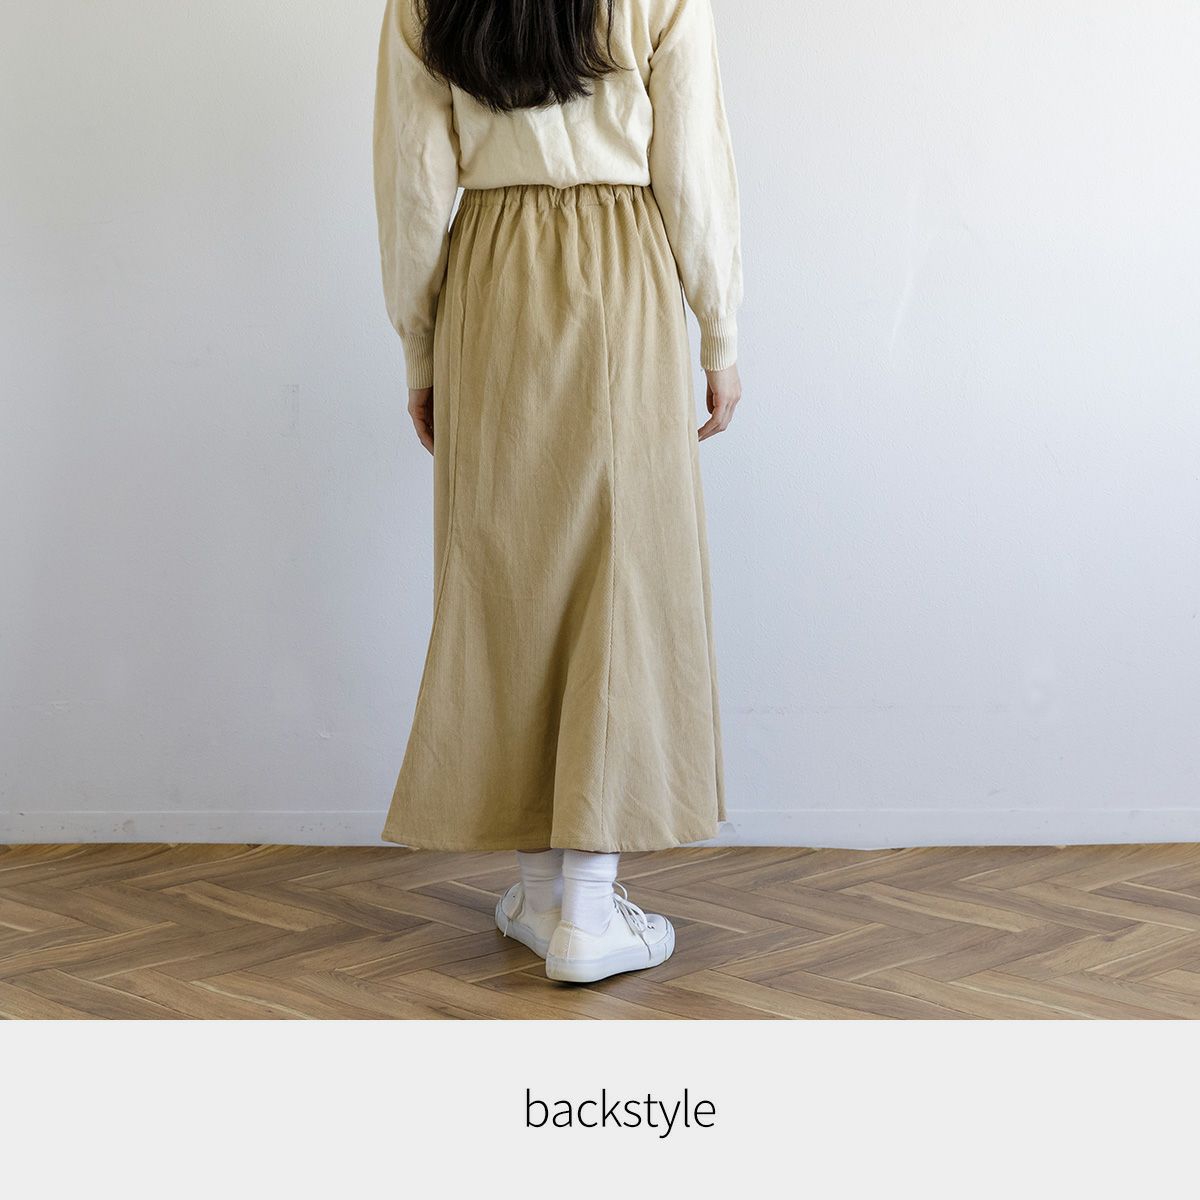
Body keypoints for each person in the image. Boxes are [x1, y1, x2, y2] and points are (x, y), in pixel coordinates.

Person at [373, 0, 742, 983]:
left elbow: (414, 180)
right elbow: (691, 165)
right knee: (623, 575)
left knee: (505, 574)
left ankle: (542, 893)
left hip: (489, 269)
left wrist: (420, 348)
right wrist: (719, 331)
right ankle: (581, 907)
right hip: (623, 263)